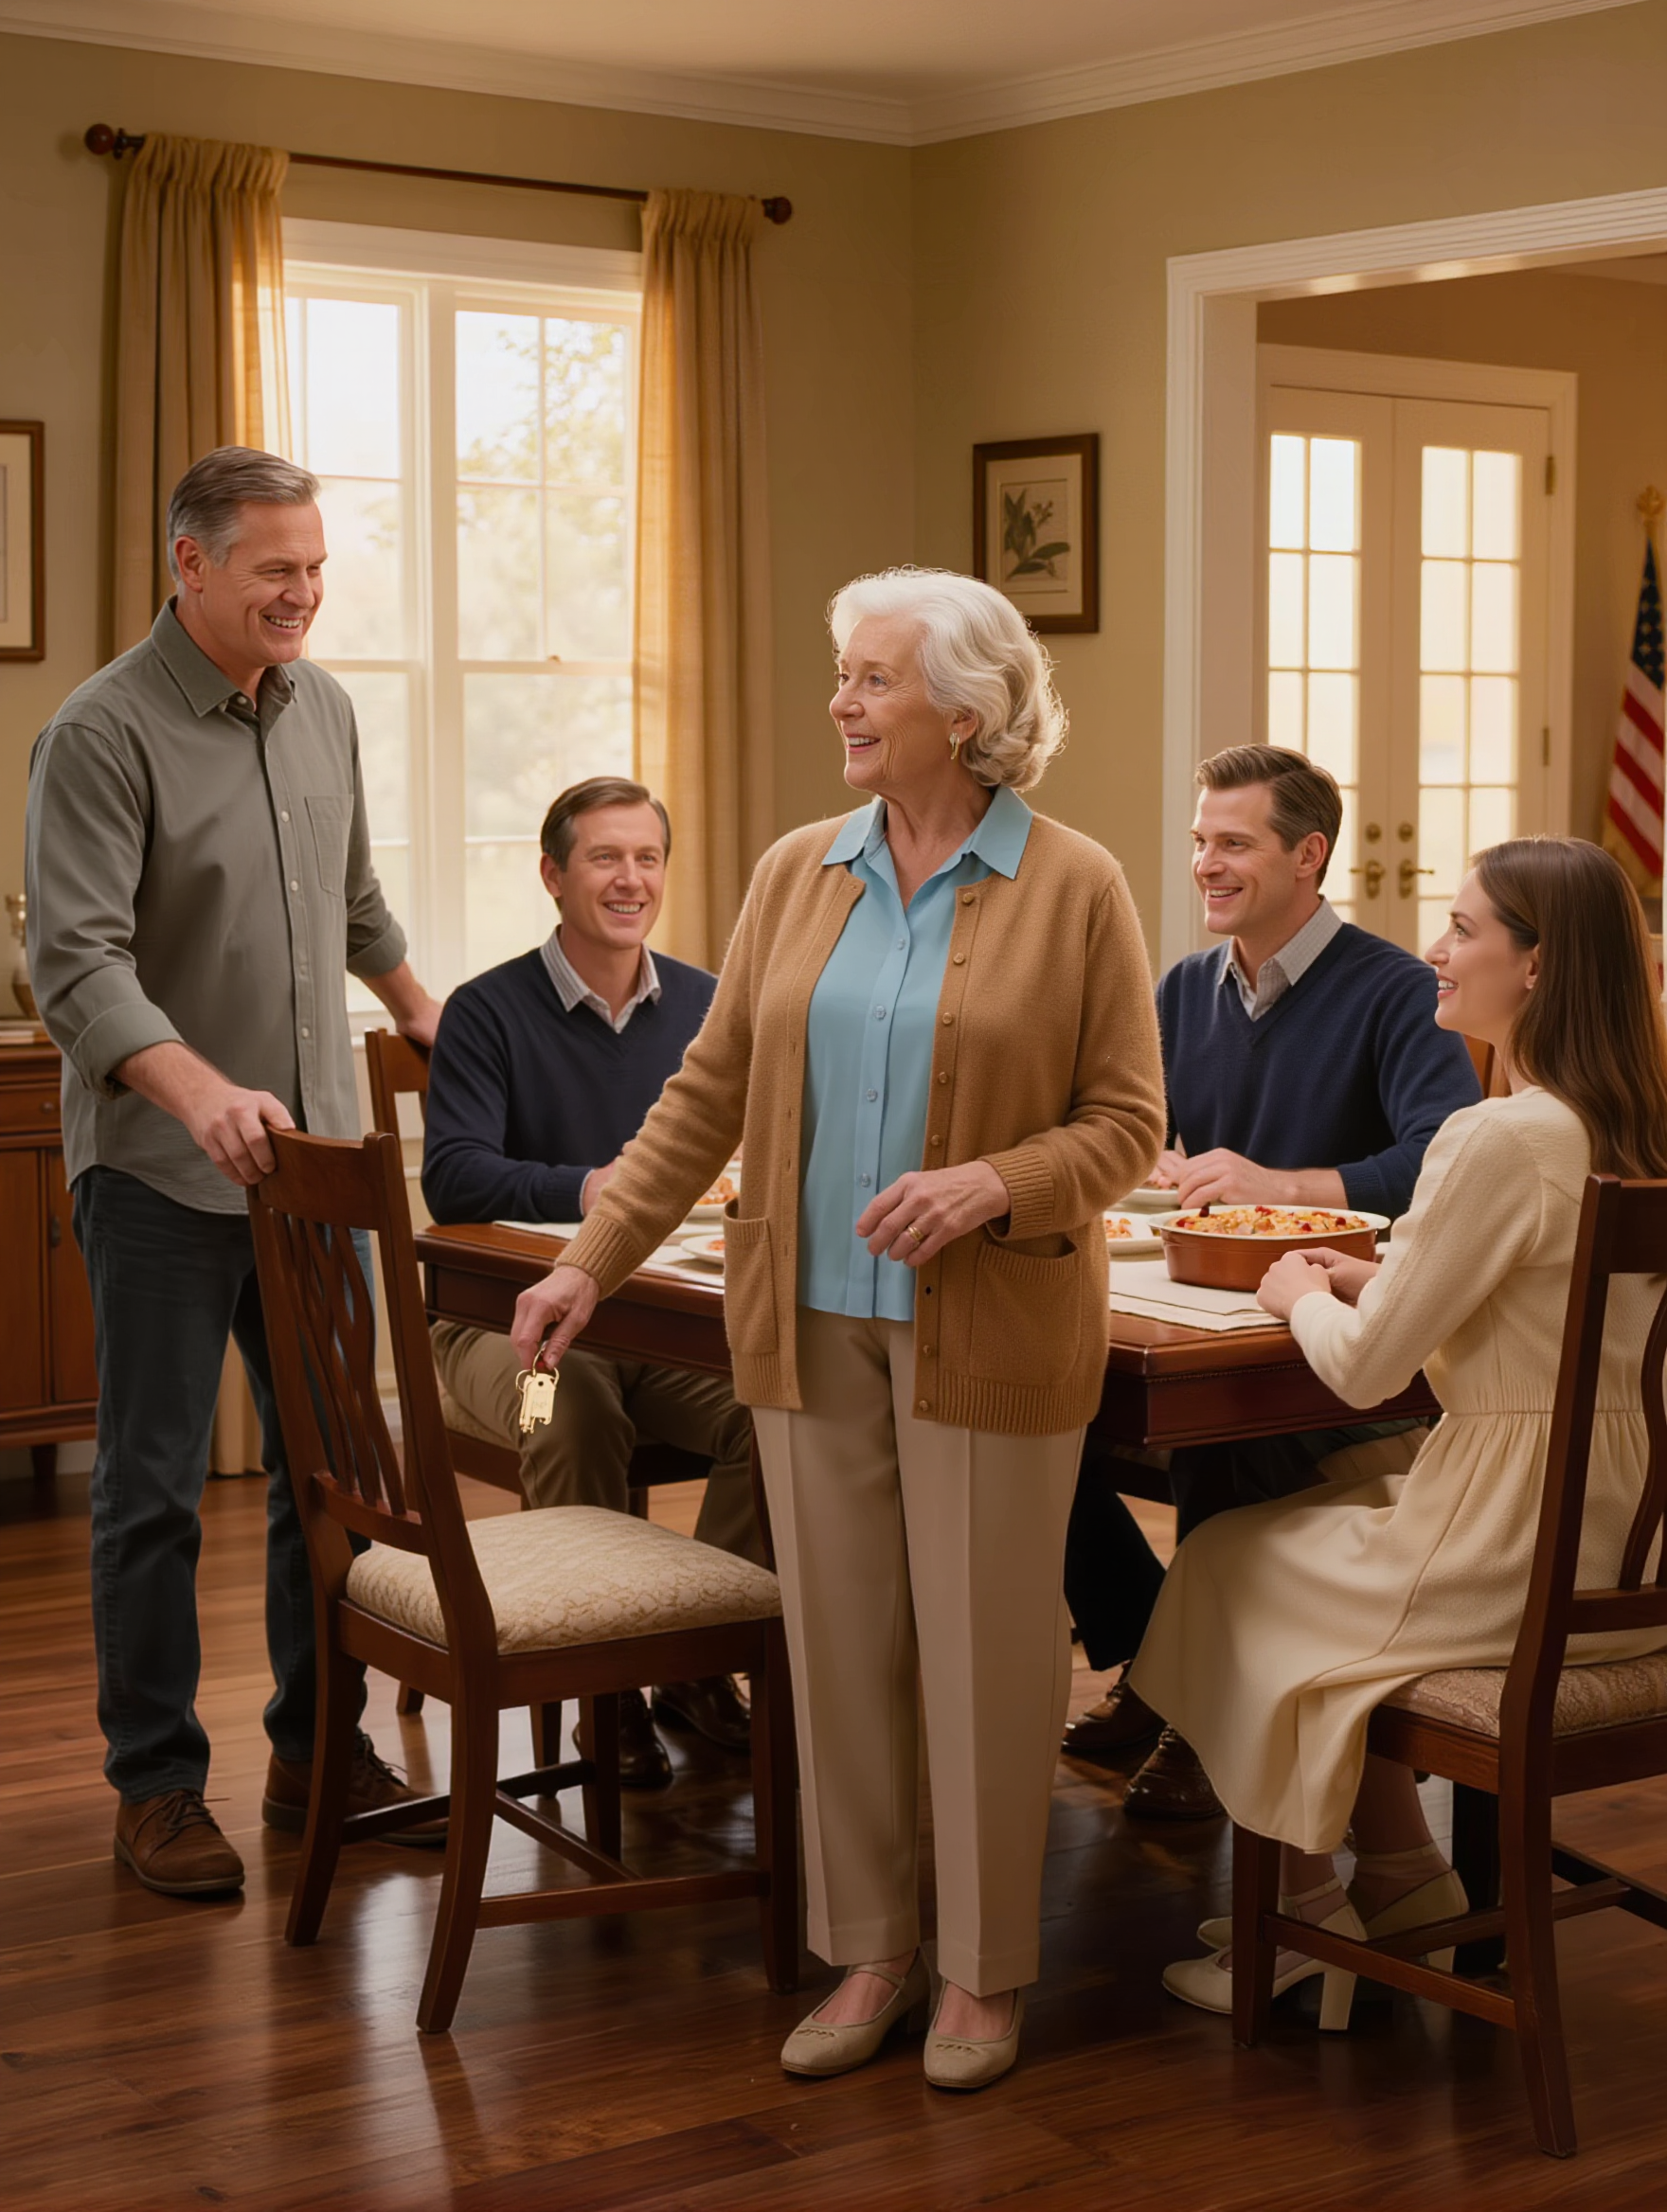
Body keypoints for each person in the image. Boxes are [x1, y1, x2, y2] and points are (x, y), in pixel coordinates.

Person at [508, 567, 1164, 2090]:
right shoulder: (800, 869)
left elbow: (1132, 1122)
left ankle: (986, 1976)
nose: (843, 703)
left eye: (872, 679)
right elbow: (706, 1095)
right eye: (844, 672)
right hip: (805, 1328)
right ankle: (869, 1951)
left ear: (967, 711)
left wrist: (996, 1181)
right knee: (842, 1656)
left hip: (992, 1334)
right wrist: (592, 1261)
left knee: (993, 1657)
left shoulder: (1077, 884)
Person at [1135, 836, 1667, 2027]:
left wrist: (1303, 1293)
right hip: (1625, 1550)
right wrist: (1378, 1272)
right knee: (1300, 1534)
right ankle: (1397, 1873)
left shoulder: (1498, 1135)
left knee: (1227, 1557)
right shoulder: (1627, 1124)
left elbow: (1368, 1374)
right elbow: (1545, 1303)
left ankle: (1307, 1912)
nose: (1435, 947)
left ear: (1534, 967)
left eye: (1465, 928)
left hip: (1505, 1547)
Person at [26, 447, 444, 1899]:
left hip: (316, 1170)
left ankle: (323, 1755)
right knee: (149, 1487)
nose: (304, 595)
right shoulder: (101, 731)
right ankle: (155, 1787)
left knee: (328, 1479)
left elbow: (354, 900)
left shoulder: (321, 708)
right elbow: (68, 959)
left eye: (316, 568)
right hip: (159, 1172)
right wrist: (193, 1087)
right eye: (276, 569)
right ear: (189, 564)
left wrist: (427, 1012)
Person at [1062, 745, 1480, 1818]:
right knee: (1030, 1418)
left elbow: (1443, 1155)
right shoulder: (1182, 990)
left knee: (1226, 1438)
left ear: (1308, 855)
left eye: (1231, 842)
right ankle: (1163, 1663)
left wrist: (1280, 1181)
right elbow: (1135, 1128)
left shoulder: (1391, 990)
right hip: (1198, 1299)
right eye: (1200, 840)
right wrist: (1140, 1155)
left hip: (1333, 1335)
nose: (1205, 861)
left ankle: (1204, 1715)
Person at [421, 774, 764, 1786]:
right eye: (605, 857)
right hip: (501, 1334)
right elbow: (452, 1175)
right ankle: (598, 1695)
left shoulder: (708, 1004)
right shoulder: (486, 1011)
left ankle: (698, 1658)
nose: (630, 878)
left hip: (658, 1325)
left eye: (647, 856)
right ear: (553, 876)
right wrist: (593, 1186)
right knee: (567, 1404)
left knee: (778, 1401)